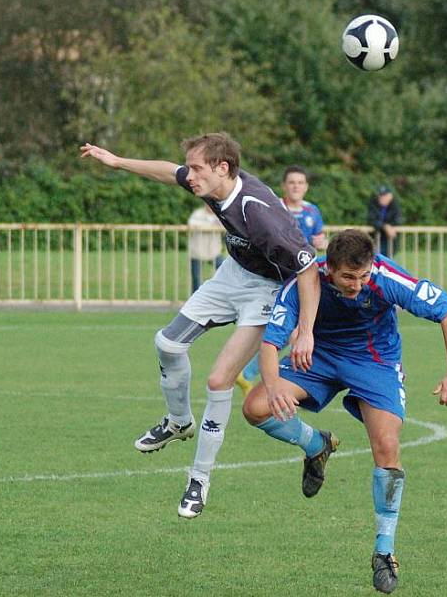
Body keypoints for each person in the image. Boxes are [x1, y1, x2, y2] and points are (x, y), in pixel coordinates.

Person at [80, 133, 320, 519]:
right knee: (168, 344)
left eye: (196, 169)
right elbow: (167, 172)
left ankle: (199, 479)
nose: (188, 176)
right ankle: (178, 421)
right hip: (233, 275)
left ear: (222, 168)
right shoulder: (212, 184)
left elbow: (308, 270)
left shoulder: (260, 214)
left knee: (219, 380)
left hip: (268, 291)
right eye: (190, 168)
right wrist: (118, 161)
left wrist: (304, 329)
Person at [242, 229, 447, 594]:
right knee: (256, 406)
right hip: (318, 357)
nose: (356, 284)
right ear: (329, 268)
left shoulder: (383, 276)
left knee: (387, 445)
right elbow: (270, 343)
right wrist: (271, 386)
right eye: (348, 276)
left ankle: (384, 550)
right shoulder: (306, 279)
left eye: (362, 276)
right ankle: (316, 445)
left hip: (374, 363)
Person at [236, 165, 328, 392]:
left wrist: (321, 243)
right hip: (279, 276)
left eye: (300, 182)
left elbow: (319, 240)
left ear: (306, 187)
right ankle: (266, 378)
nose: (296, 186)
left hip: (302, 277)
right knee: (289, 330)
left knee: (290, 331)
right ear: (284, 186)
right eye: (292, 182)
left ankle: (249, 373)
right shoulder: (275, 206)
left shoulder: (312, 211)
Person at [187, 204, 225, 293]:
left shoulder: (218, 214)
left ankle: (222, 294)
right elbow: (191, 224)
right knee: (196, 277)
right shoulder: (198, 214)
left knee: (223, 271)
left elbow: (225, 226)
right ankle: (195, 299)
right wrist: (210, 225)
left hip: (214, 251)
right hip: (198, 250)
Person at [367, 184, 402, 256]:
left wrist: (389, 227)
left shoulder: (395, 205)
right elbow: (371, 220)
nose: (381, 198)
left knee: (387, 261)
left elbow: (398, 220)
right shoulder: (373, 204)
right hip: (375, 237)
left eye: (384, 195)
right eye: (380, 195)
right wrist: (384, 226)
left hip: (389, 239)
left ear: (390, 196)